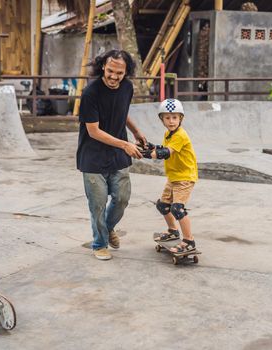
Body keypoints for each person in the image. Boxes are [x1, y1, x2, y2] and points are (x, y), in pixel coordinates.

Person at [77, 49, 146, 260]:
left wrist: (136, 132)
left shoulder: (127, 87)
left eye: (119, 72)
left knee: (122, 198)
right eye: (110, 71)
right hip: (93, 157)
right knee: (97, 205)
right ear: (102, 68)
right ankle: (99, 244)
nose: (114, 77)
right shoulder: (91, 93)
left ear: (126, 72)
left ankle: (107, 229)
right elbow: (93, 131)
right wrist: (125, 144)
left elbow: (122, 112)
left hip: (117, 156)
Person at [138, 99, 199, 253]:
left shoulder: (180, 135)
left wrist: (144, 154)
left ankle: (189, 241)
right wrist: (150, 146)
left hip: (185, 177)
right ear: (162, 119)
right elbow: (163, 148)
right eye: (167, 118)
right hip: (173, 176)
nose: (171, 121)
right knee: (163, 205)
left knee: (177, 209)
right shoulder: (168, 134)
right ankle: (173, 231)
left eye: (175, 117)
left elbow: (165, 153)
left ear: (181, 119)